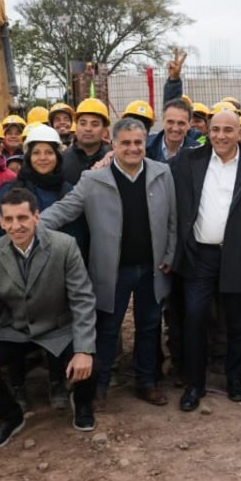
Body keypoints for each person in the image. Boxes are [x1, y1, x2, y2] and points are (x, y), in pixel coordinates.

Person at [40, 118, 176, 408]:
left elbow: (173, 220)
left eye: (138, 142)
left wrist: (170, 254)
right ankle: (98, 387)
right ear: (113, 144)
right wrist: (32, 227)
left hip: (152, 269)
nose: (132, 148)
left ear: (145, 144)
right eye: (125, 142)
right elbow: (66, 209)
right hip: (113, 270)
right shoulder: (94, 179)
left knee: (149, 326)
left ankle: (146, 382)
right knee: (107, 328)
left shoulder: (162, 173)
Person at [0, 187, 98, 450]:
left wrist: (83, 349)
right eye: (10, 219)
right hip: (16, 329)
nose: (17, 226)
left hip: (58, 327)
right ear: (1, 222)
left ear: (37, 217)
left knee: (92, 355)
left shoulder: (64, 246)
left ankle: (82, 403)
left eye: (23, 218)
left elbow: (82, 299)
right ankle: (10, 417)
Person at [172, 109, 241, 411]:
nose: (220, 136)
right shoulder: (189, 161)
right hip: (199, 257)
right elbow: (153, 169)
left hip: (240, 257)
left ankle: (235, 379)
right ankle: (194, 384)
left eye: (227, 130)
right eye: (215, 129)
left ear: (239, 132)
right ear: (207, 130)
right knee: (194, 320)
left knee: (239, 324)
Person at [0, 124, 86, 410]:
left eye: (48, 152)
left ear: (57, 157)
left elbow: (78, 232)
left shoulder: (67, 191)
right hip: (15, 275)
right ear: (27, 156)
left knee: (55, 328)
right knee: (14, 328)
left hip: (55, 275)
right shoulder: (12, 189)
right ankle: (17, 385)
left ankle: (56, 382)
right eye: (36, 152)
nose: (42, 158)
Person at [62, 98, 111, 185]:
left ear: (104, 131)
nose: (88, 129)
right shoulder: (62, 159)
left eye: (94, 124)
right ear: (76, 128)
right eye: (83, 123)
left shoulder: (112, 159)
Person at [146, 98, 198, 163]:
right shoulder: (145, 147)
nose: (175, 128)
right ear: (163, 121)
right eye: (170, 122)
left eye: (181, 123)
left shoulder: (198, 152)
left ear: (189, 125)